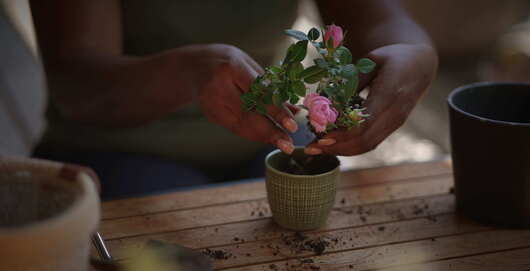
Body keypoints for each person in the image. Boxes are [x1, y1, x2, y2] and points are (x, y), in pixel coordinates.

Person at [29, 0, 438, 199]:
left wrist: (414, 54)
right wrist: (187, 74)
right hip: (121, 145)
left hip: (268, 129)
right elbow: (76, 84)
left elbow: (382, 19)